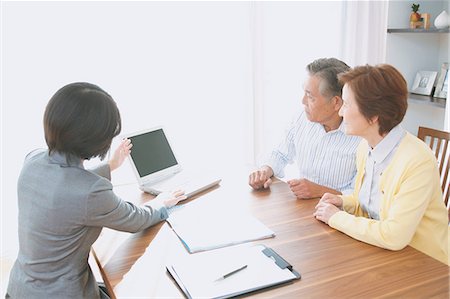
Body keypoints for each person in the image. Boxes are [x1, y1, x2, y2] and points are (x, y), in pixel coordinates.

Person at [6, 82, 187, 298]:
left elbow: (66, 184)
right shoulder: (90, 192)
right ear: (97, 138)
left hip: (19, 289)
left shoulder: (33, 160)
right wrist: (162, 202)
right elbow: (136, 219)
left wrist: (110, 165)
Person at [314, 64, 448, 265]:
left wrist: (336, 217)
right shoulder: (365, 148)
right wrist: (343, 202)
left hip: (426, 265)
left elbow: (394, 235)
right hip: (384, 257)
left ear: (373, 115)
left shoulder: (418, 161)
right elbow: (373, 206)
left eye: (347, 104)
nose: (340, 112)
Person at [249, 58, 361, 198]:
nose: (303, 101)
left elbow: (361, 197)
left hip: (340, 216)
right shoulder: (301, 118)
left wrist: (320, 191)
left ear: (336, 102)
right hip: (304, 209)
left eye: (310, 97)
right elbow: (279, 153)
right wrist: (265, 170)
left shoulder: (362, 135)